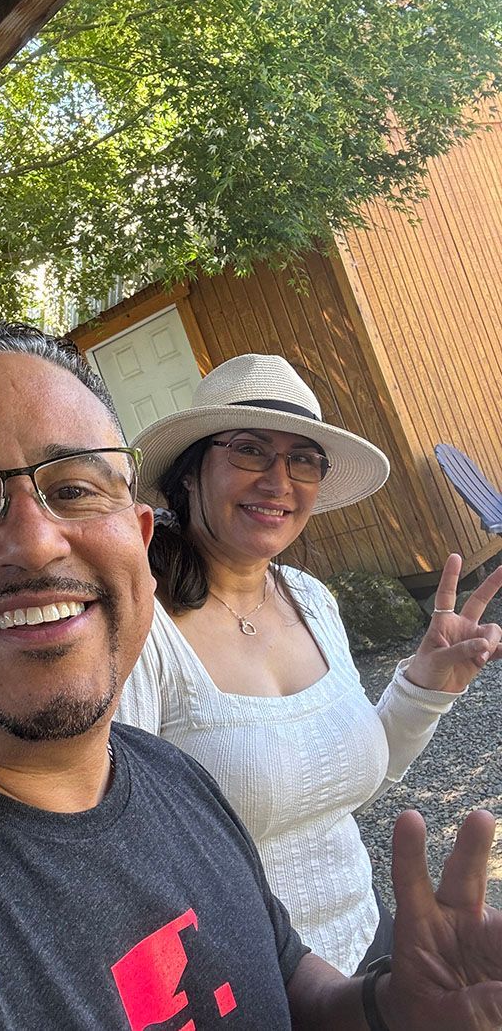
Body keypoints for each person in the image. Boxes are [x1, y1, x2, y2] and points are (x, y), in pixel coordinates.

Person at [0, 321, 501, 1031]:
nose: (36, 541)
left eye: (75, 488)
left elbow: (287, 987)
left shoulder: (174, 779)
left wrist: (388, 1008)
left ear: (138, 538)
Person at [116, 352, 502, 975]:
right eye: (249, 450)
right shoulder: (141, 628)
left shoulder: (311, 598)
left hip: (370, 942)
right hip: (247, 984)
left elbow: (341, 782)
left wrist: (428, 686)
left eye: (303, 459)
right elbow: (123, 853)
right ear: (190, 473)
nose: (279, 481)